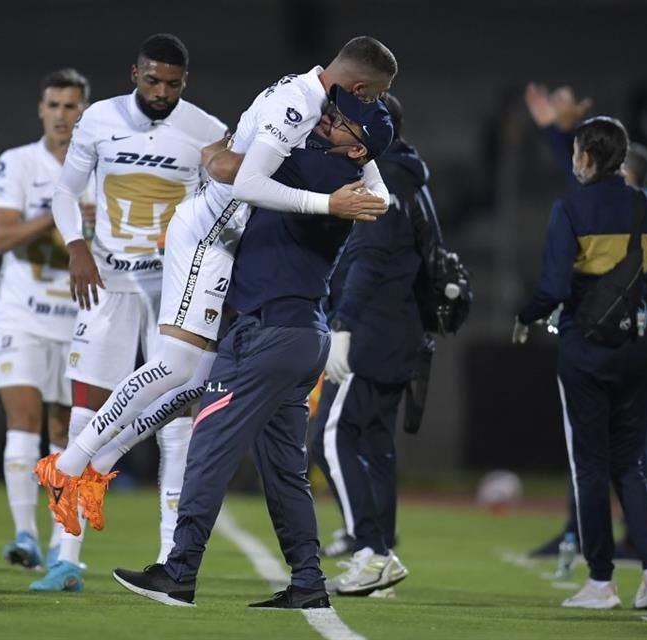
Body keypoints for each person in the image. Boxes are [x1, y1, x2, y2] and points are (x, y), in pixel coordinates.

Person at [35, 36, 397, 545]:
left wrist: (367, 195)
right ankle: (68, 466)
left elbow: (377, 184)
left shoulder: (324, 101)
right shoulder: (298, 105)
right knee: (175, 366)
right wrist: (329, 205)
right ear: (359, 87)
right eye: (377, 95)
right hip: (207, 236)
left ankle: (95, 464)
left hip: (230, 242)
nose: (376, 103)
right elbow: (246, 182)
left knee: (197, 377)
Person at [111, 87, 395, 609]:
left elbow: (227, 169)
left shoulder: (321, 173)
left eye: (339, 121)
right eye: (330, 111)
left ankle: (180, 572)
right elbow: (371, 186)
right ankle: (308, 582)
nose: (325, 119)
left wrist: (217, 146)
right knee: (285, 471)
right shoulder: (344, 177)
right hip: (299, 334)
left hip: (270, 334)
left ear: (357, 148)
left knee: (208, 445)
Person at [33, 34, 227, 589]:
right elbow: (66, 194)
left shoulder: (207, 130)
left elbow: (222, 206)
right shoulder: (97, 119)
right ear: (133, 73)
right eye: (152, 80)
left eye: (172, 83)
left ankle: (169, 558)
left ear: (184, 83)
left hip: (174, 285)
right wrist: (76, 248)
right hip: (109, 280)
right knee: (84, 410)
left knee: (178, 417)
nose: (162, 92)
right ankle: (66, 557)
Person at [513, 116, 647, 609]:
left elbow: (554, 288)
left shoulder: (571, 206)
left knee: (590, 467)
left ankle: (602, 582)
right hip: (642, 347)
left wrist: (527, 316)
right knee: (631, 464)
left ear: (585, 157)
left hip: (587, 348)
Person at [309, 93, 438, 595]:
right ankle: (381, 554)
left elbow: (367, 260)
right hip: (403, 332)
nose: (331, 129)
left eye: (341, 123)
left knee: (329, 438)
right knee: (375, 447)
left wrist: (343, 325)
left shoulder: (379, 181)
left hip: (370, 331)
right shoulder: (414, 181)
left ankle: (370, 551)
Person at [0, 68, 91, 582]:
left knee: (65, 434)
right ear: (40, 109)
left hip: (80, 317)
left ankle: (60, 544)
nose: (61, 115)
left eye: (72, 107)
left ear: (83, 112)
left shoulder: (98, 167)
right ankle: (24, 532)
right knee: (23, 421)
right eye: (54, 105)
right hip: (22, 314)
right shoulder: (18, 162)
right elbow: (2, 236)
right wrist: (60, 216)